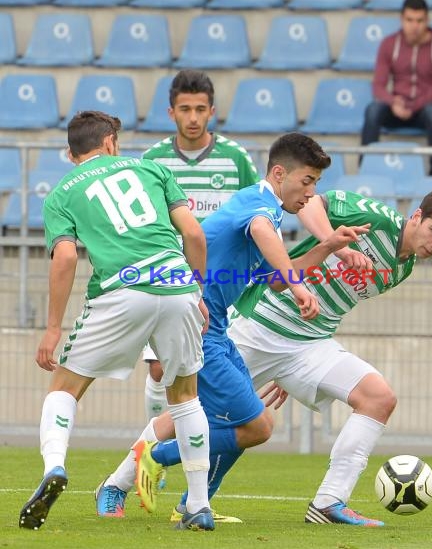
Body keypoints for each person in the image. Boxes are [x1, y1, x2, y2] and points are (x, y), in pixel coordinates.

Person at [96, 133, 370, 524]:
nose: (311, 193)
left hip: (216, 327)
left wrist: (326, 247)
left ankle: (193, 505)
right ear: (279, 173)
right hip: (194, 323)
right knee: (253, 426)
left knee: (250, 424)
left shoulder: (264, 210)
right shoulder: (259, 205)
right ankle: (149, 463)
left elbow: (274, 278)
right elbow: (264, 237)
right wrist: (298, 287)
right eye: (307, 181)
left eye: (316, 184)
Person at [228, 187, 432, 526]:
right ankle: (125, 481)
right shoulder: (377, 219)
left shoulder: (403, 268)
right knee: (195, 412)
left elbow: (334, 301)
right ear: (416, 216)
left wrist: (294, 366)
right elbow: (311, 202)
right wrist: (335, 245)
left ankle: (329, 503)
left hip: (307, 343)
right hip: (260, 325)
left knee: (379, 398)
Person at [19, 110, 213, 531]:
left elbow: (66, 256)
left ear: (72, 154)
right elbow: (195, 235)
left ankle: (54, 467)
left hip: (121, 290)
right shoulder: (153, 168)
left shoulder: (61, 193)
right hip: (177, 284)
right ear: (110, 142)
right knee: (185, 395)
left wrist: (53, 327)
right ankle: (199, 506)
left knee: (65, 388)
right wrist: (196, 291)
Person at [141, 69, 260, 424]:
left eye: (199, 109)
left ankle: (179, 449)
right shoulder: (152, 160)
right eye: (184, 109)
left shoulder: (236, 159)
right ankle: (151, 452)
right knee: (160, 369)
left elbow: (259, 216)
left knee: (201, 371)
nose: (192, 118)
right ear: (171, 113)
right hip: (166, 279)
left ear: (212, 112)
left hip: (220, 284)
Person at [361, 0, 432, 175]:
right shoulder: (389, 44)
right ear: (401, 19)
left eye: (419, 21)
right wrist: (393, 101)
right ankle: (364, 169)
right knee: (373, 109)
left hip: (423, 109)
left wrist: (414, 105)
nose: (414, 26)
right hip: (397, 106)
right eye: (410, 20)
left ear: (427, 20)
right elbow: (378, 86)